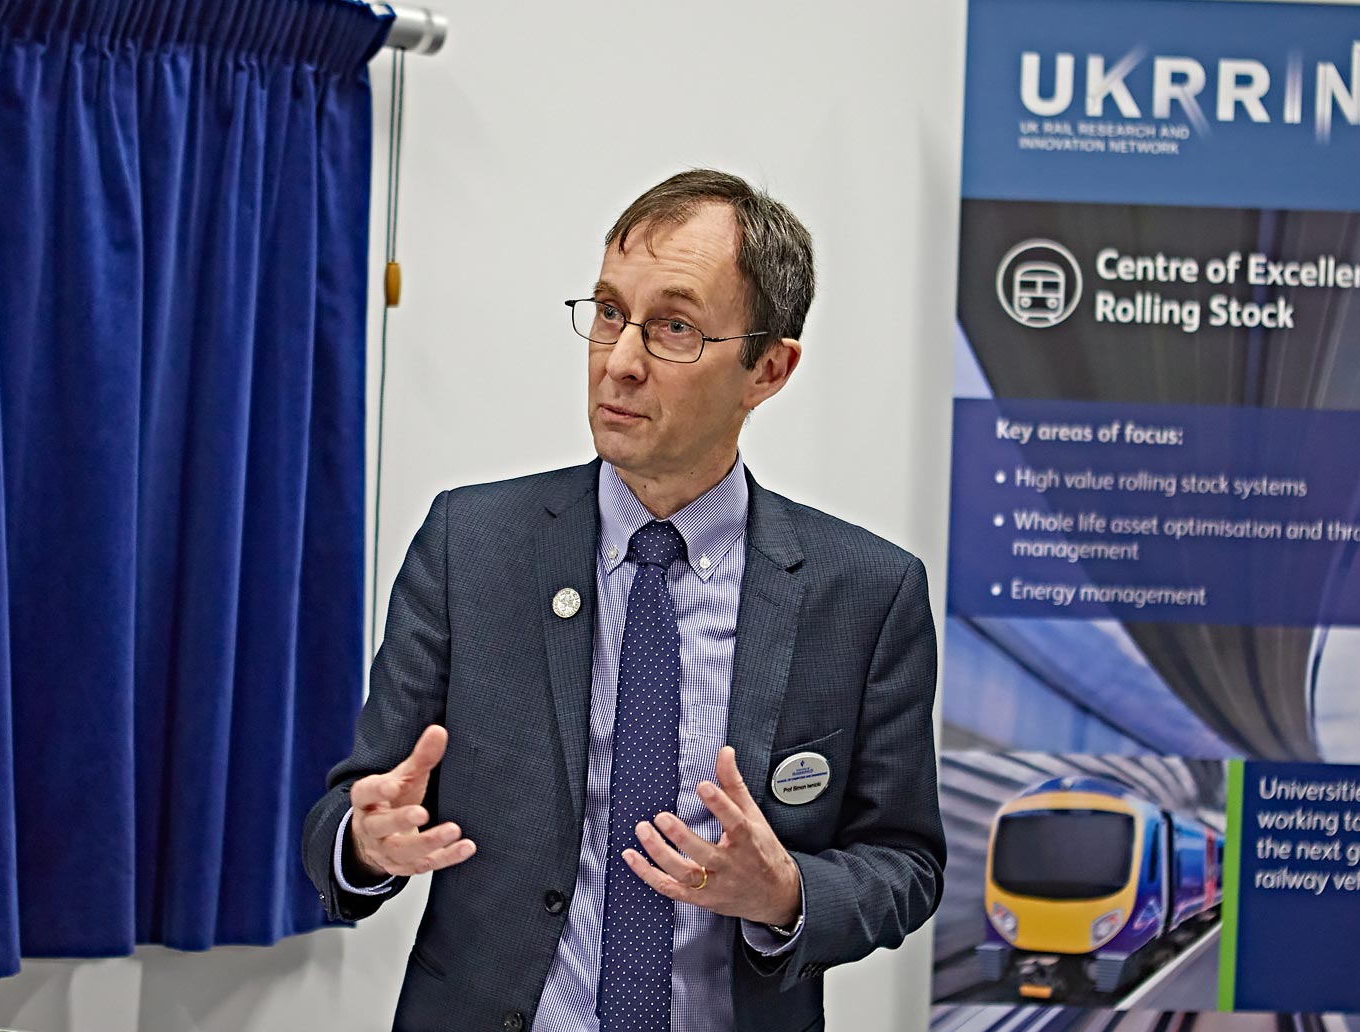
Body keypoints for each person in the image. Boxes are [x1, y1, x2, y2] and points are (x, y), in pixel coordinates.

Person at [301, 169, 945, 1032]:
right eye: (609, 314)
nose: (622, 360)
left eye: (673, 326)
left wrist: (788, 892)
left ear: (769, 368)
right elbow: (354, 806)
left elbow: (904, 861)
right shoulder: (471, 547)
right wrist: (364, 842)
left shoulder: (866, 593)